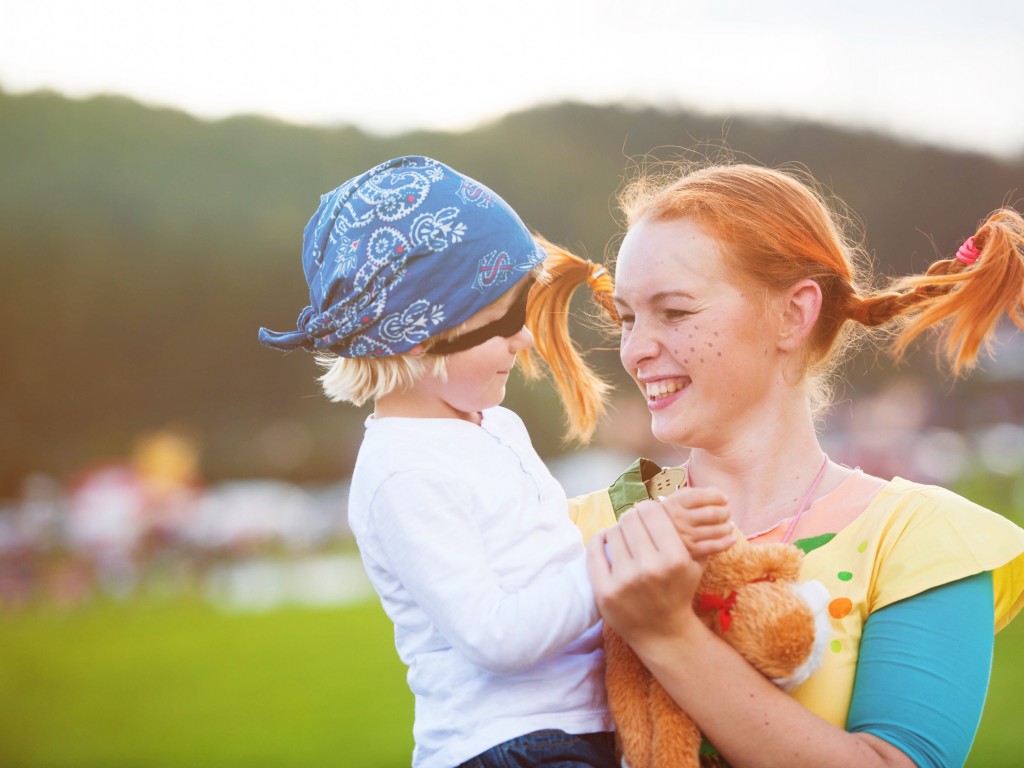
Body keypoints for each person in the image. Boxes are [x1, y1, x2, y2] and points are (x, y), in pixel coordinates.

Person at [258, 156, 733, 768]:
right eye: (503, 320)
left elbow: (545, 555)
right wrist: (623, 554)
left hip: (576, 730)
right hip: (510, 746)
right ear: (421, 333)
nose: (527, 339)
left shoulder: (495, 426)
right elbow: (497, 636)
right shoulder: (404, 471)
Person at [581, 162, 1024, 768]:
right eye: (628, 317)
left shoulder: (922, 542)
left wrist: (667, 635)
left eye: (676, 312)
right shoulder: (566, 528)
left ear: (794, 314)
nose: (634, 350)